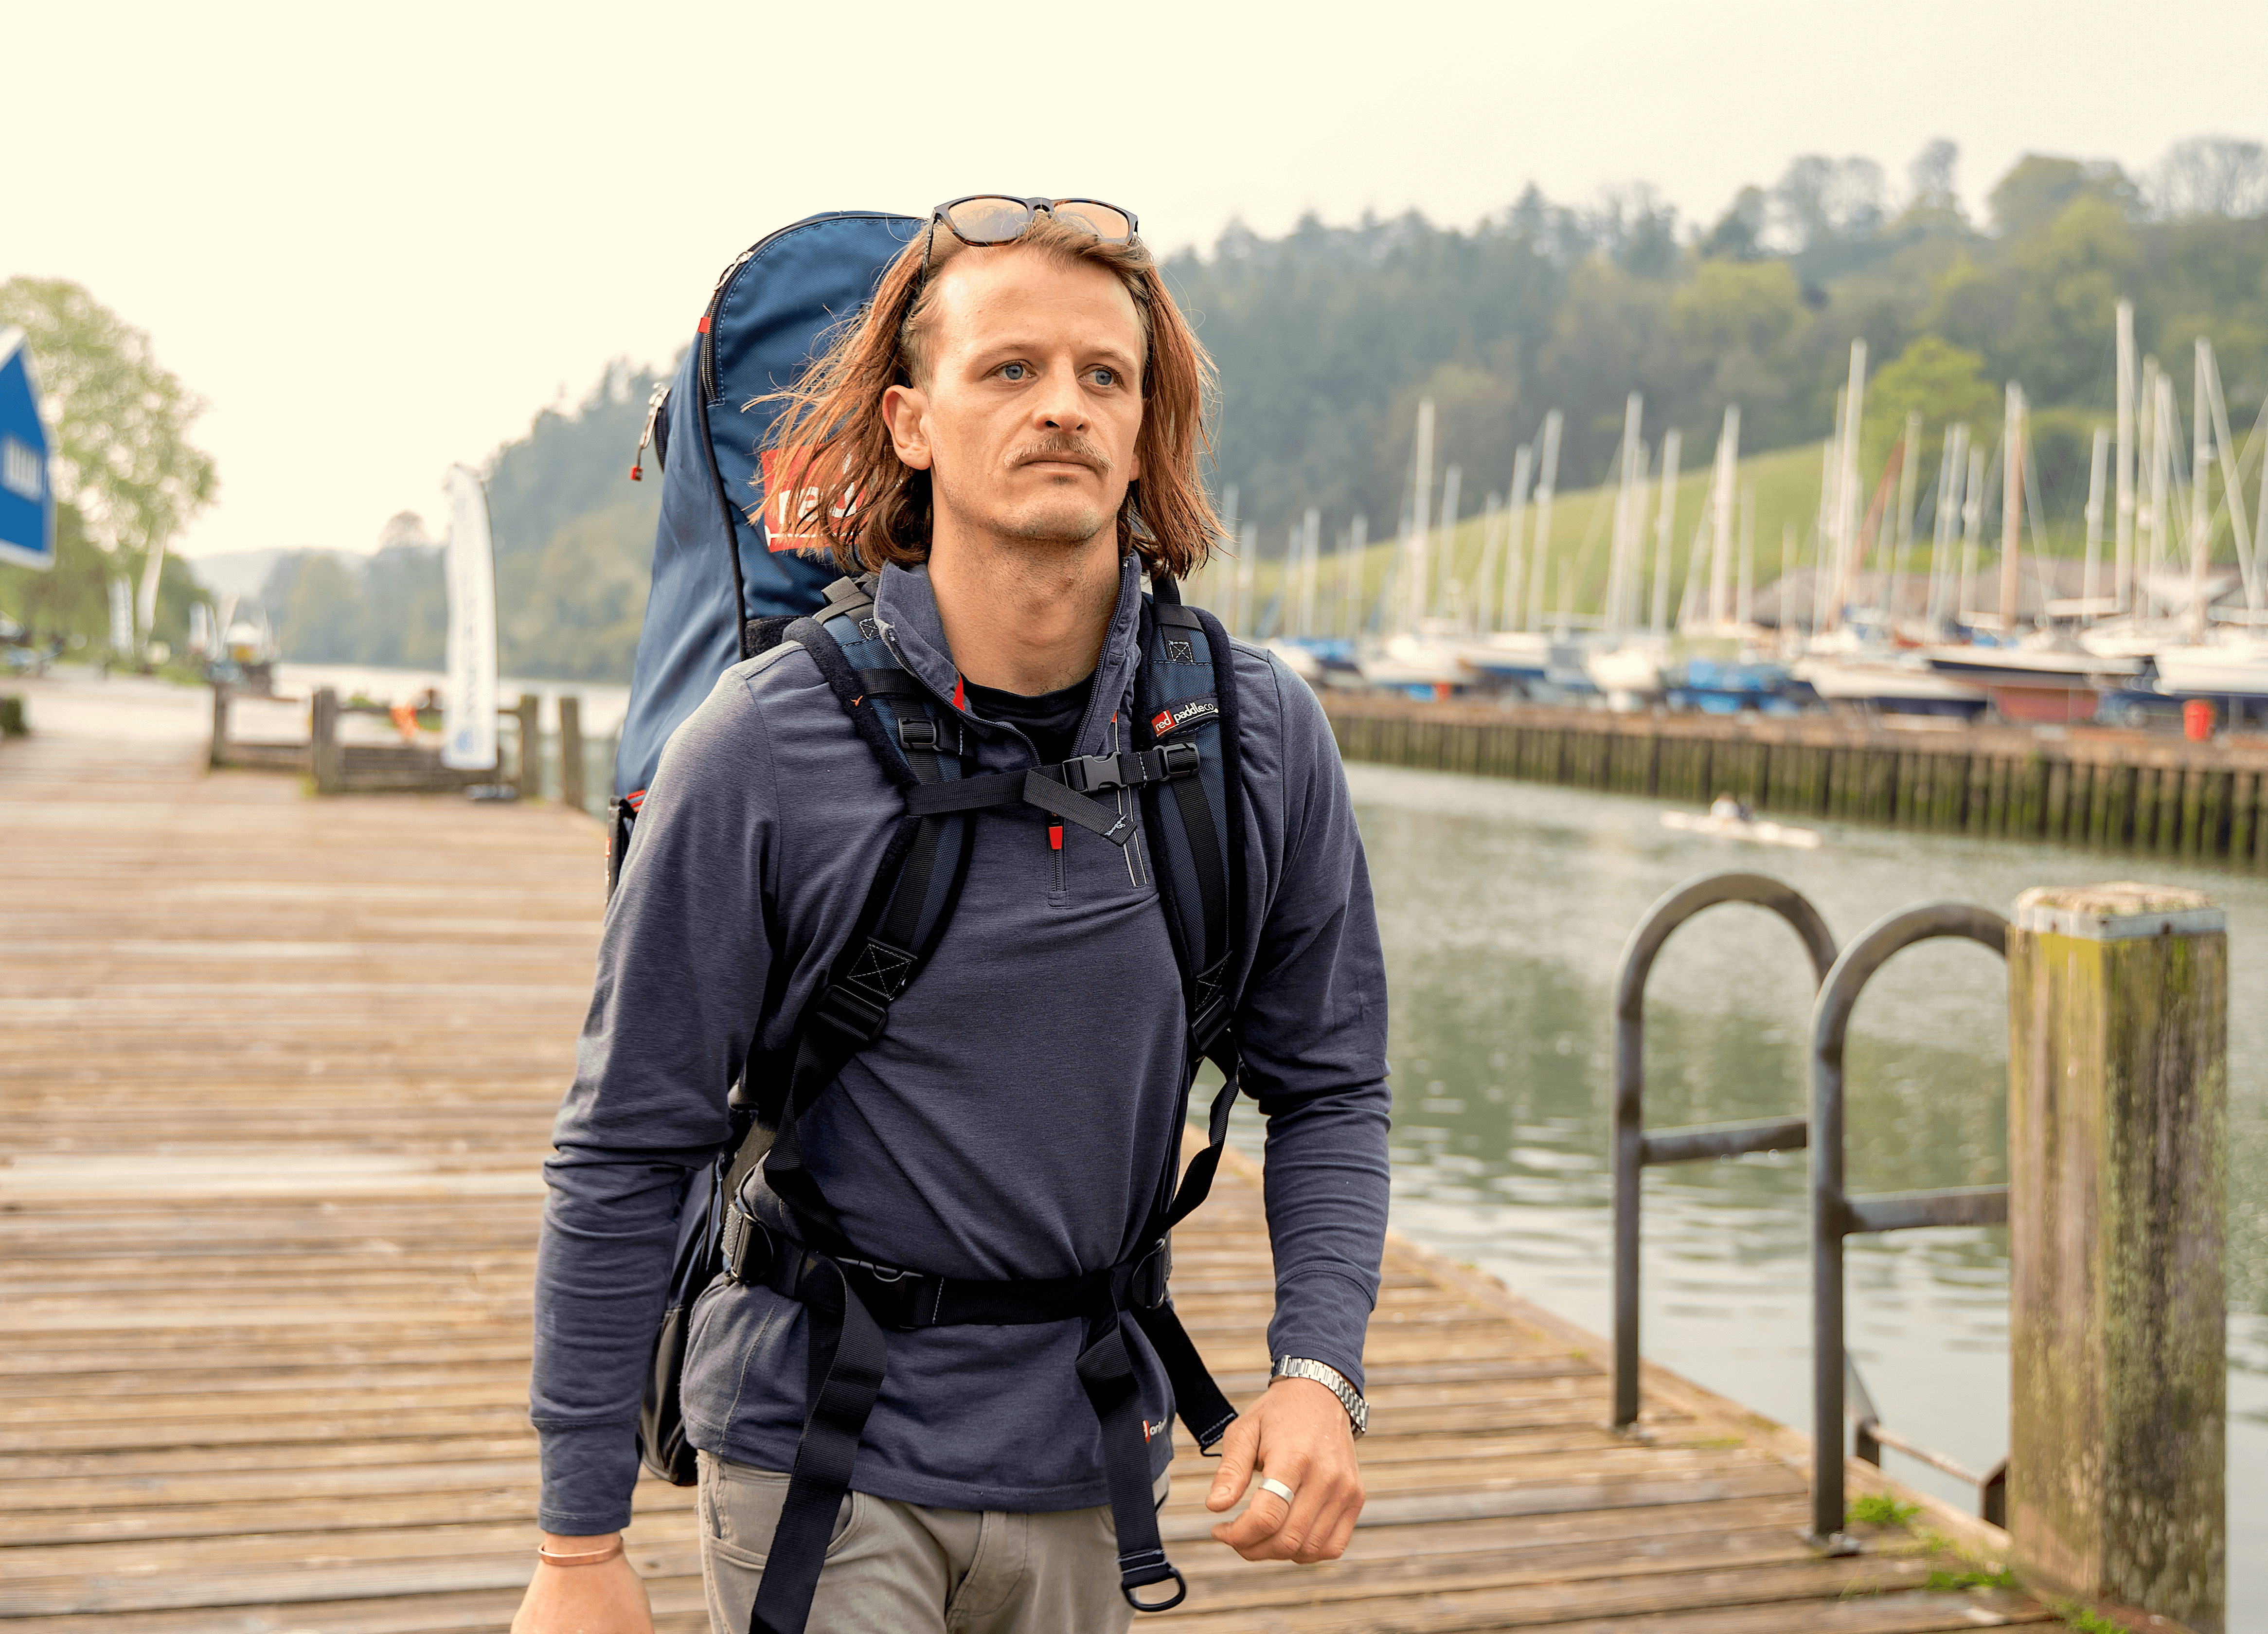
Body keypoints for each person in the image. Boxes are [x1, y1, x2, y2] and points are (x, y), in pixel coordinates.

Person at [513, 197, 1391, 1634]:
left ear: (1147, 425)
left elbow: (1332, 1084)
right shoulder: (761, 744)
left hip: (1092, 1449)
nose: (1064, 406)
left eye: (1105, 375)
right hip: (817, 1445)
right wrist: (576, 1543)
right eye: (1010, 369)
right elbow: (625, 1140)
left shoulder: (1248, 734)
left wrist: (1316, 1367)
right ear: (911, 422)